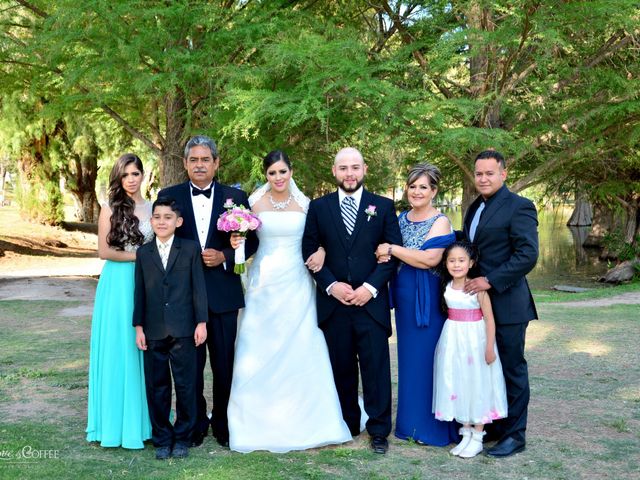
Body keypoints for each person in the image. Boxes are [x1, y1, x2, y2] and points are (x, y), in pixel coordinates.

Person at [226, 150, 352, 453]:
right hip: (264, 282)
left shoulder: (306, 205)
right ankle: (253, 418)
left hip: (297, 281)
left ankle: (308, 417)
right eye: (272, 173)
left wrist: (321, 249)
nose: (278, 178)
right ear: (266, 175)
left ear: (291, 172)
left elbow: (320, 237)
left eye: (282, 172)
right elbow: (251, 242)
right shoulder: (253, 204)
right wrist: (237, 241)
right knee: (258, 342)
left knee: (302, 342)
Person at [158, 135, 258, 448]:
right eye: (193, 160)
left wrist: (225, 257)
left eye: (205, 160)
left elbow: (252, 239)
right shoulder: (168, 195)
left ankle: (226, 425)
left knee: (225, 363)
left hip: (223, 294)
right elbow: (162, 238)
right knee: (190, 367)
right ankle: (194, 424)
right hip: (184, 298)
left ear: (216, 163)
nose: (199, 165)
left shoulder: (236, 196)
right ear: (185, 163)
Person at [302, 147, 402, 454]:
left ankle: (379, 429)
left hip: (370, 305)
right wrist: (331, 286)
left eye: (355, 167)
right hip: (335, 305)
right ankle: (346, 423)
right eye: (343, 168)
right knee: (341, 368)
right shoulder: (319, 207)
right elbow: (309, 248)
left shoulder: (383, 206)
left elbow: (392, 253)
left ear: (365, 169)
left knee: (376, 370)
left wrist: (369, 288)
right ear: (334, 171)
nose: (350, 173)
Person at [375, 163, 458, 447]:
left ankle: (431, 429)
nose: (417, 192)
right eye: (412, 186)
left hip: (428, 298)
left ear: (434, 191)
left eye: (423, 187)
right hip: (404, 294)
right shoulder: (401, 217)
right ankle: (409, 425)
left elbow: (430, 259)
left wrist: (392, 249)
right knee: (408, 361)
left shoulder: (440, 221)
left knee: (428, 360)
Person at [462, 149, 538, 457]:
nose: (483, 178)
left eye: (489, 173)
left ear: (503, 174)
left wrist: (490, 280)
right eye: (478, 173)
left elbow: (528, 254)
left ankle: (515, 435)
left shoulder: (520, 206)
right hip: (477, 306)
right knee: (488, 367)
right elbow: (470, 246)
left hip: (507, 303)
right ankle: (496, 424)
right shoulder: (474, 207)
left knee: (511, 368)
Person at [86, 153, 153, 449]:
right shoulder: (109, 208)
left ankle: (143, 422)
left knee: (144, 349)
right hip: (117, 284)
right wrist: (141, 257)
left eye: (135, 173)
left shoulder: (153, 208)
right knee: (119, 347)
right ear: (118, 178)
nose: (131, 179)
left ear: (142, 176)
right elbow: (104, 251)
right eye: (125, 175)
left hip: (147, 284)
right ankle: (114, 423)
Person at [133, 197, 208, 459]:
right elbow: (139, 293)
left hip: (185, 329)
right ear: (151, 221)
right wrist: (139, 327)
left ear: (179, 222)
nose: (162, 221)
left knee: (186, 385)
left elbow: (198, 288)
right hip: (153, 329)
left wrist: (201, 322)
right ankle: (162, 437)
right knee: (157, 386)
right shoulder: (143, 253)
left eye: (167, 217)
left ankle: (183, 437)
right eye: (157, 217)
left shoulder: (188, 249)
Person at [433, 241, 508, 458]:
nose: (456, 265)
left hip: (475, 340)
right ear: (446, 263)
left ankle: (477, 436)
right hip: (454, 339)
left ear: (471, 263)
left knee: (477, 382)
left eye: (461, 260)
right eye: (452, 261)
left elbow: (490, 319)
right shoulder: (445, 286)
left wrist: (489, 347)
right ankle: (465, 433)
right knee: (459, 382)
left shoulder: (477, 288)